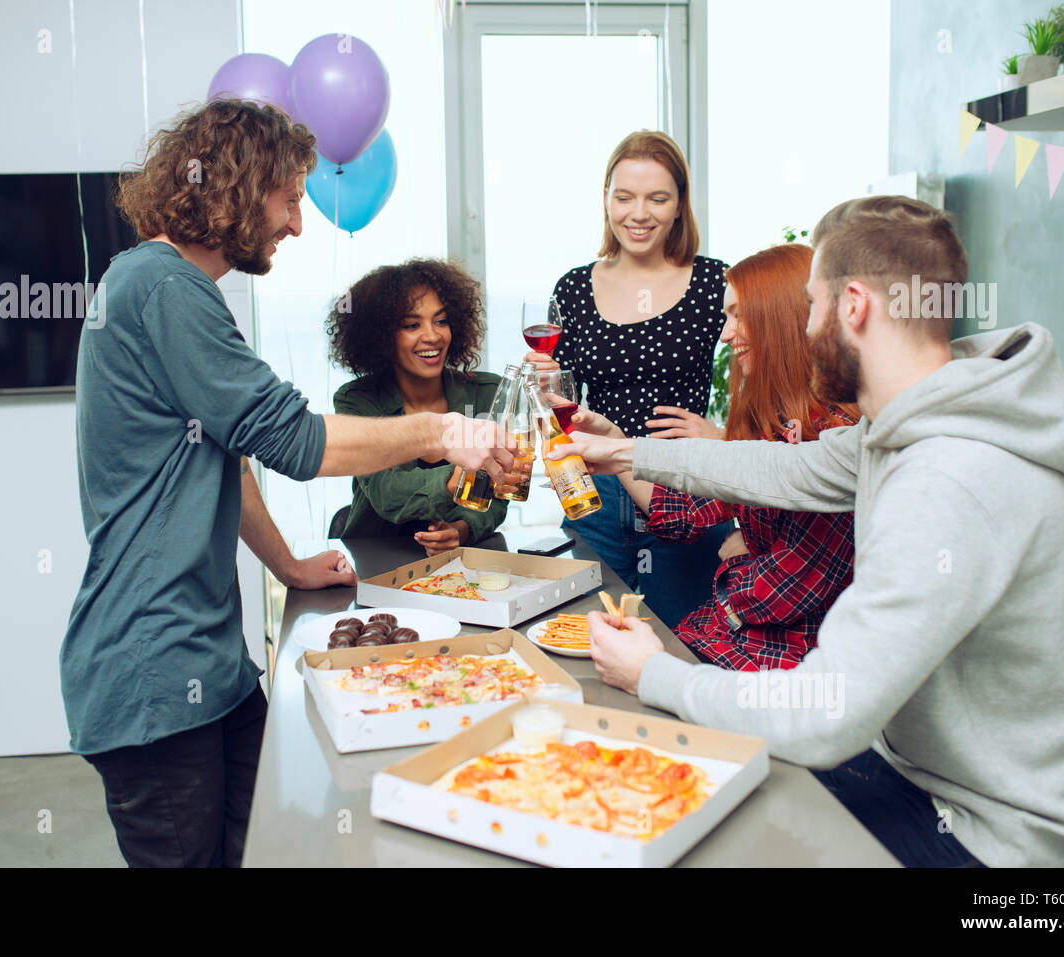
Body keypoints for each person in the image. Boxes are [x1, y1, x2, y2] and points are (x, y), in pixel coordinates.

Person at [553, 195, 1064, 867]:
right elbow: (780, 468)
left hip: (995, 836)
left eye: (813, 304)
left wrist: (656, 673)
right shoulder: (905, 427)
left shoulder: (950, 477)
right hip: (910, 773)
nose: (806, 323)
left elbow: (825, 714)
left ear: (853, 306)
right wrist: (622, 453)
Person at [62, 100, 514, 868]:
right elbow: (294, 440)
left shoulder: (169, 288)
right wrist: (447, 433)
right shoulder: (164, 289)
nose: (298, 223)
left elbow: (232, 458)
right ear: (242, 187)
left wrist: (289, 567)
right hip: (154, 672)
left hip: (212, 666)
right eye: (291, 198)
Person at [571, 243, 858, 671]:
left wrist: (739, 559)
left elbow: (793, 584)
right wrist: (615, 440)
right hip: (738, 632)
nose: (725, 334)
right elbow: (685, 514)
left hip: (787, 659)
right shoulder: (771, 422)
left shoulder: (837, 432)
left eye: (739, 315)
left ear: (781, 315)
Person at [523, 130, 732, 629]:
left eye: (658, 198)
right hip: (597, 487)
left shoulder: (713, 282)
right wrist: (546, 384)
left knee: (681, 640)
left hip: (682, 486)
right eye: (625, 197)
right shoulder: (573, 287)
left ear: (679, 206)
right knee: (585, 633)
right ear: (606, 201)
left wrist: (723, 436)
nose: (639, 214)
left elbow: (765, 379)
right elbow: (561, 403)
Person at [329, 259, 518, 555]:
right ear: (381, 336)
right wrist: (454, 481)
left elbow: (498, 495)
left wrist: (461, 529)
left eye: (441, 321)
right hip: (376, 561)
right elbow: (385, 493)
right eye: (411, 325)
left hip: (461, 565)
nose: (432, 336)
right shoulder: (357, 400)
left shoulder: (487, 393)